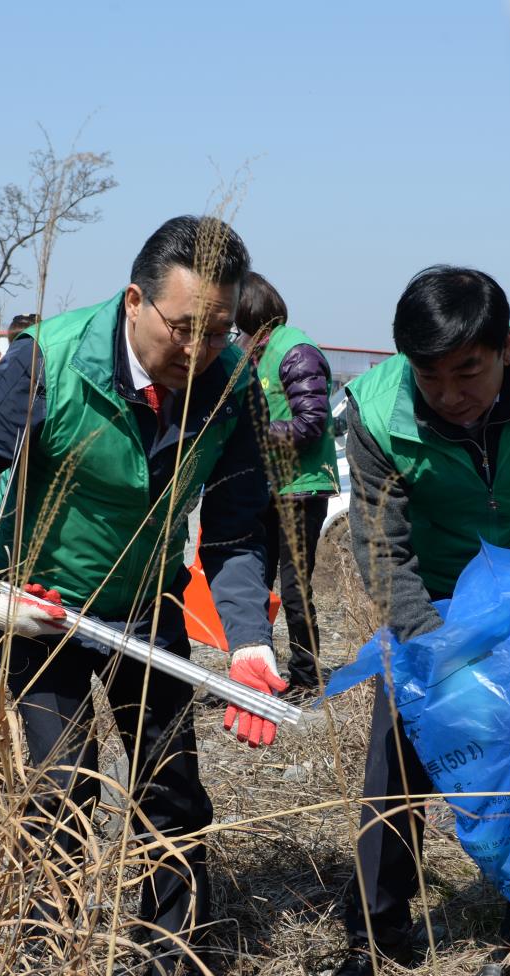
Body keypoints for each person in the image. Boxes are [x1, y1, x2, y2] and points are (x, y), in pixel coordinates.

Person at [0, 215, 279, 976]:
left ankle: (170, 967)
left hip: (149, 607)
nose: (197, 351)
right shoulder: (48, 361)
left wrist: (249, 639)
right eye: (182, 329)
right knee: (60, 796)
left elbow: (239, 527)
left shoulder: (231, 385)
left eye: (216, 333)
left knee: (170, 787)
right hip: (45, 613)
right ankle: (46, 975)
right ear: (136, 301)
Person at [336, 265, 510, 976]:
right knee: (397, 764)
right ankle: (376, 936)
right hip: (431, 600)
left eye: (468, 373)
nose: (451, 396)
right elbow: (380, 544)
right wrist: (432, 651)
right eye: (431, 379)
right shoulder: (375, 413)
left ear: (505, 351)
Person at [236, 272, 338, 693]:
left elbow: (312, 421)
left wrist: (257, 434)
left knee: (294, 590)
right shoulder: (252, 352)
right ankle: (263, 669)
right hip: (267, 487)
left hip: (300, 489)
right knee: (254, 584)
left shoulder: (295, 351)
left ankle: (306, 676)